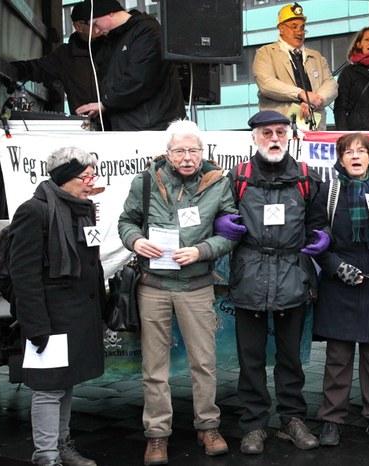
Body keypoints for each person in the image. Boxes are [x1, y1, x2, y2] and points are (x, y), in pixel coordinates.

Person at [117, 120, 237, 465]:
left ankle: (208, 426)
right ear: (167, 152)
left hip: (197, 285)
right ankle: (157, 435)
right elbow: (126, 221)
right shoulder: (144, 182)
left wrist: (203, 251)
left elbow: (231, 231)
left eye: (194, 150)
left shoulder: (218, 183)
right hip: (153, 287)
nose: (187, 158)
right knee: (154, 366)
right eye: (180, 151)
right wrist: (136, 241)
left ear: (203, 152)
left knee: (204, 363)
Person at [219, 110, 329, 455]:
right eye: (266, 133)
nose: (274, 139)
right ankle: (253, 425)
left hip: (292, 275)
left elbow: (320, 220)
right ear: (254, 138)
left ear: (290, 135)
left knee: (290, 357)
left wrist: (323, 236)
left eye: (280, 132)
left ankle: (292, 419)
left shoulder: (307, 178)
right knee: (250, 358)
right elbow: (218, 214)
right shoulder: (237, 177)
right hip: (249, 273)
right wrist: (221, 223)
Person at [307, 133, 369, 446]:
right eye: (348, 152)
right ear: (340, 158)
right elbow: (315, 237)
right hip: (340, 286)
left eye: (362, 151)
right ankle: (331, 421)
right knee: (338, 359)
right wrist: (337, 267)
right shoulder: (329, 190)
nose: (355, 156)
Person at [9, 147, 105, 466]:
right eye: (85, 176)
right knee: (48, 389)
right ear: (65, 178)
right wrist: (36, 326)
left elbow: (91, 260)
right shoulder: (33, 212)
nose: (91, 181)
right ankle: (46, 456)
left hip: (78, 315)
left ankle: (63, 445)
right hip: (49, 319)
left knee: (66, 385)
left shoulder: (85, 208)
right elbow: (23, 275)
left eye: (92, 175)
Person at [74, 0, 185, 130]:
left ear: (110, 13)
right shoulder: (112, 40)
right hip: (133, 123)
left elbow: (140, 78)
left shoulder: (148, 32)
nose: (96, 31)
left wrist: (106, 104)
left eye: (95, 24)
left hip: (151, 125)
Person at [252, 2, 338, 130]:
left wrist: (314, 102)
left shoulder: (317, 57)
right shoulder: (265, 53)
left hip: (314, 127)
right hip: (279, 128)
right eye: (294, 27)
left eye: (302, 27)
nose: (299, 31)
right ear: (281, 28)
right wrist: (301, 94)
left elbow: (331, 84)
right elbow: (266, 84)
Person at [10, 3, 103, 117]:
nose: (101, 27)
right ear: (78, 26)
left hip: (124, 126)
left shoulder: (116, 46)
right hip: (90, 127)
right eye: (95, 24)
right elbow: (38, 68)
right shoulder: (66, 56)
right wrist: (11, 70)